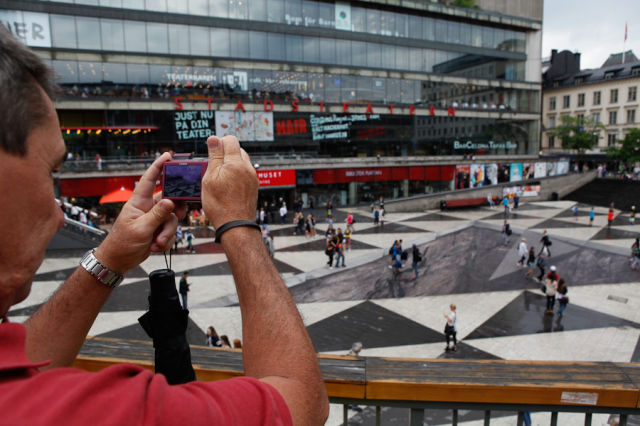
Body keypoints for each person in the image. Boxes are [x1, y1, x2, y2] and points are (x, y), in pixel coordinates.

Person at [0, 30, 328, 424]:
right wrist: (238, 222)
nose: (59, 211)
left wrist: (112, 256)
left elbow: (28, 371)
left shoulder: (18, 399)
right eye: (51, 171)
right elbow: (300, 400)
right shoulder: (112, 411)